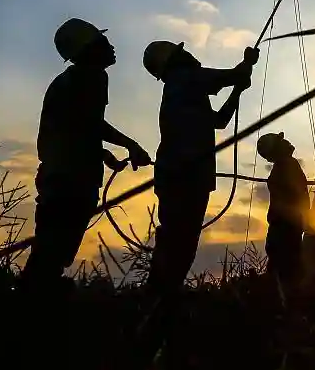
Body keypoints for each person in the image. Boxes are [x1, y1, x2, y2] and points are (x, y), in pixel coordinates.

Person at [21, 18, 152, 291]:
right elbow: (91, 122)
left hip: (59, 176)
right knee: (53, 253)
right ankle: (29, 310)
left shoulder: (67, 81)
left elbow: (76, 128)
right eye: (103, 42)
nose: (112, 46)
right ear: (89, 48)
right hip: (71, 180)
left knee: (50, 252)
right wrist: (131, 145)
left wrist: (102, 155)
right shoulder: (91, 76)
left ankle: (30, 303)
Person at [141, 40, 259, 299]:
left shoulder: (185, 89)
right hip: (184, 177)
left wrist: (238, 91)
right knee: (179, 243)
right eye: (182, 52)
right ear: (174, 60)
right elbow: (229, 76)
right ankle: (157, 301)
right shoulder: (184, 79)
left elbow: (219, 121)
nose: (189, 54)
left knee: (180, 242)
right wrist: (246, 65)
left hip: (185, 176)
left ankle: (160, 299)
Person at [256, 132, 310, 292]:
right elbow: (298, 196)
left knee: (281, 265)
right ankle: (284, 302)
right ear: (275, 149)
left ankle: (277, 300)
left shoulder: (285, 166)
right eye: (281, 141)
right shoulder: (287, 165)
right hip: (286, 225)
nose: (286, 141)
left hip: (284, 224)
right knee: (286, 267)